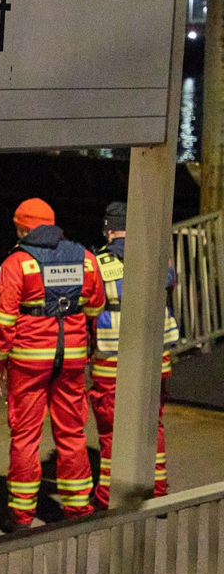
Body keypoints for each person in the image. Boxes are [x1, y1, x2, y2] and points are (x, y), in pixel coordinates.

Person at [0, 198, 105, 529]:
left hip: (28, 360)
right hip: (72, 359)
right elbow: (96, 306)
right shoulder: (85, 258)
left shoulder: (18, 262)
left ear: (23, 227)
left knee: (25, 436)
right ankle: (78, 508)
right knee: (72, 433)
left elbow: (2, 317)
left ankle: (22, 514)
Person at [90, 201, 179, 508]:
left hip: (112, 359)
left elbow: (90, 306)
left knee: (110, 431)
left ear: (109, 229)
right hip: (156, 355)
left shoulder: (98, 263)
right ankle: (157, 493)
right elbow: (170, 282)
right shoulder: (156, 257)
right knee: (152, 424)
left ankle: (107, 500)